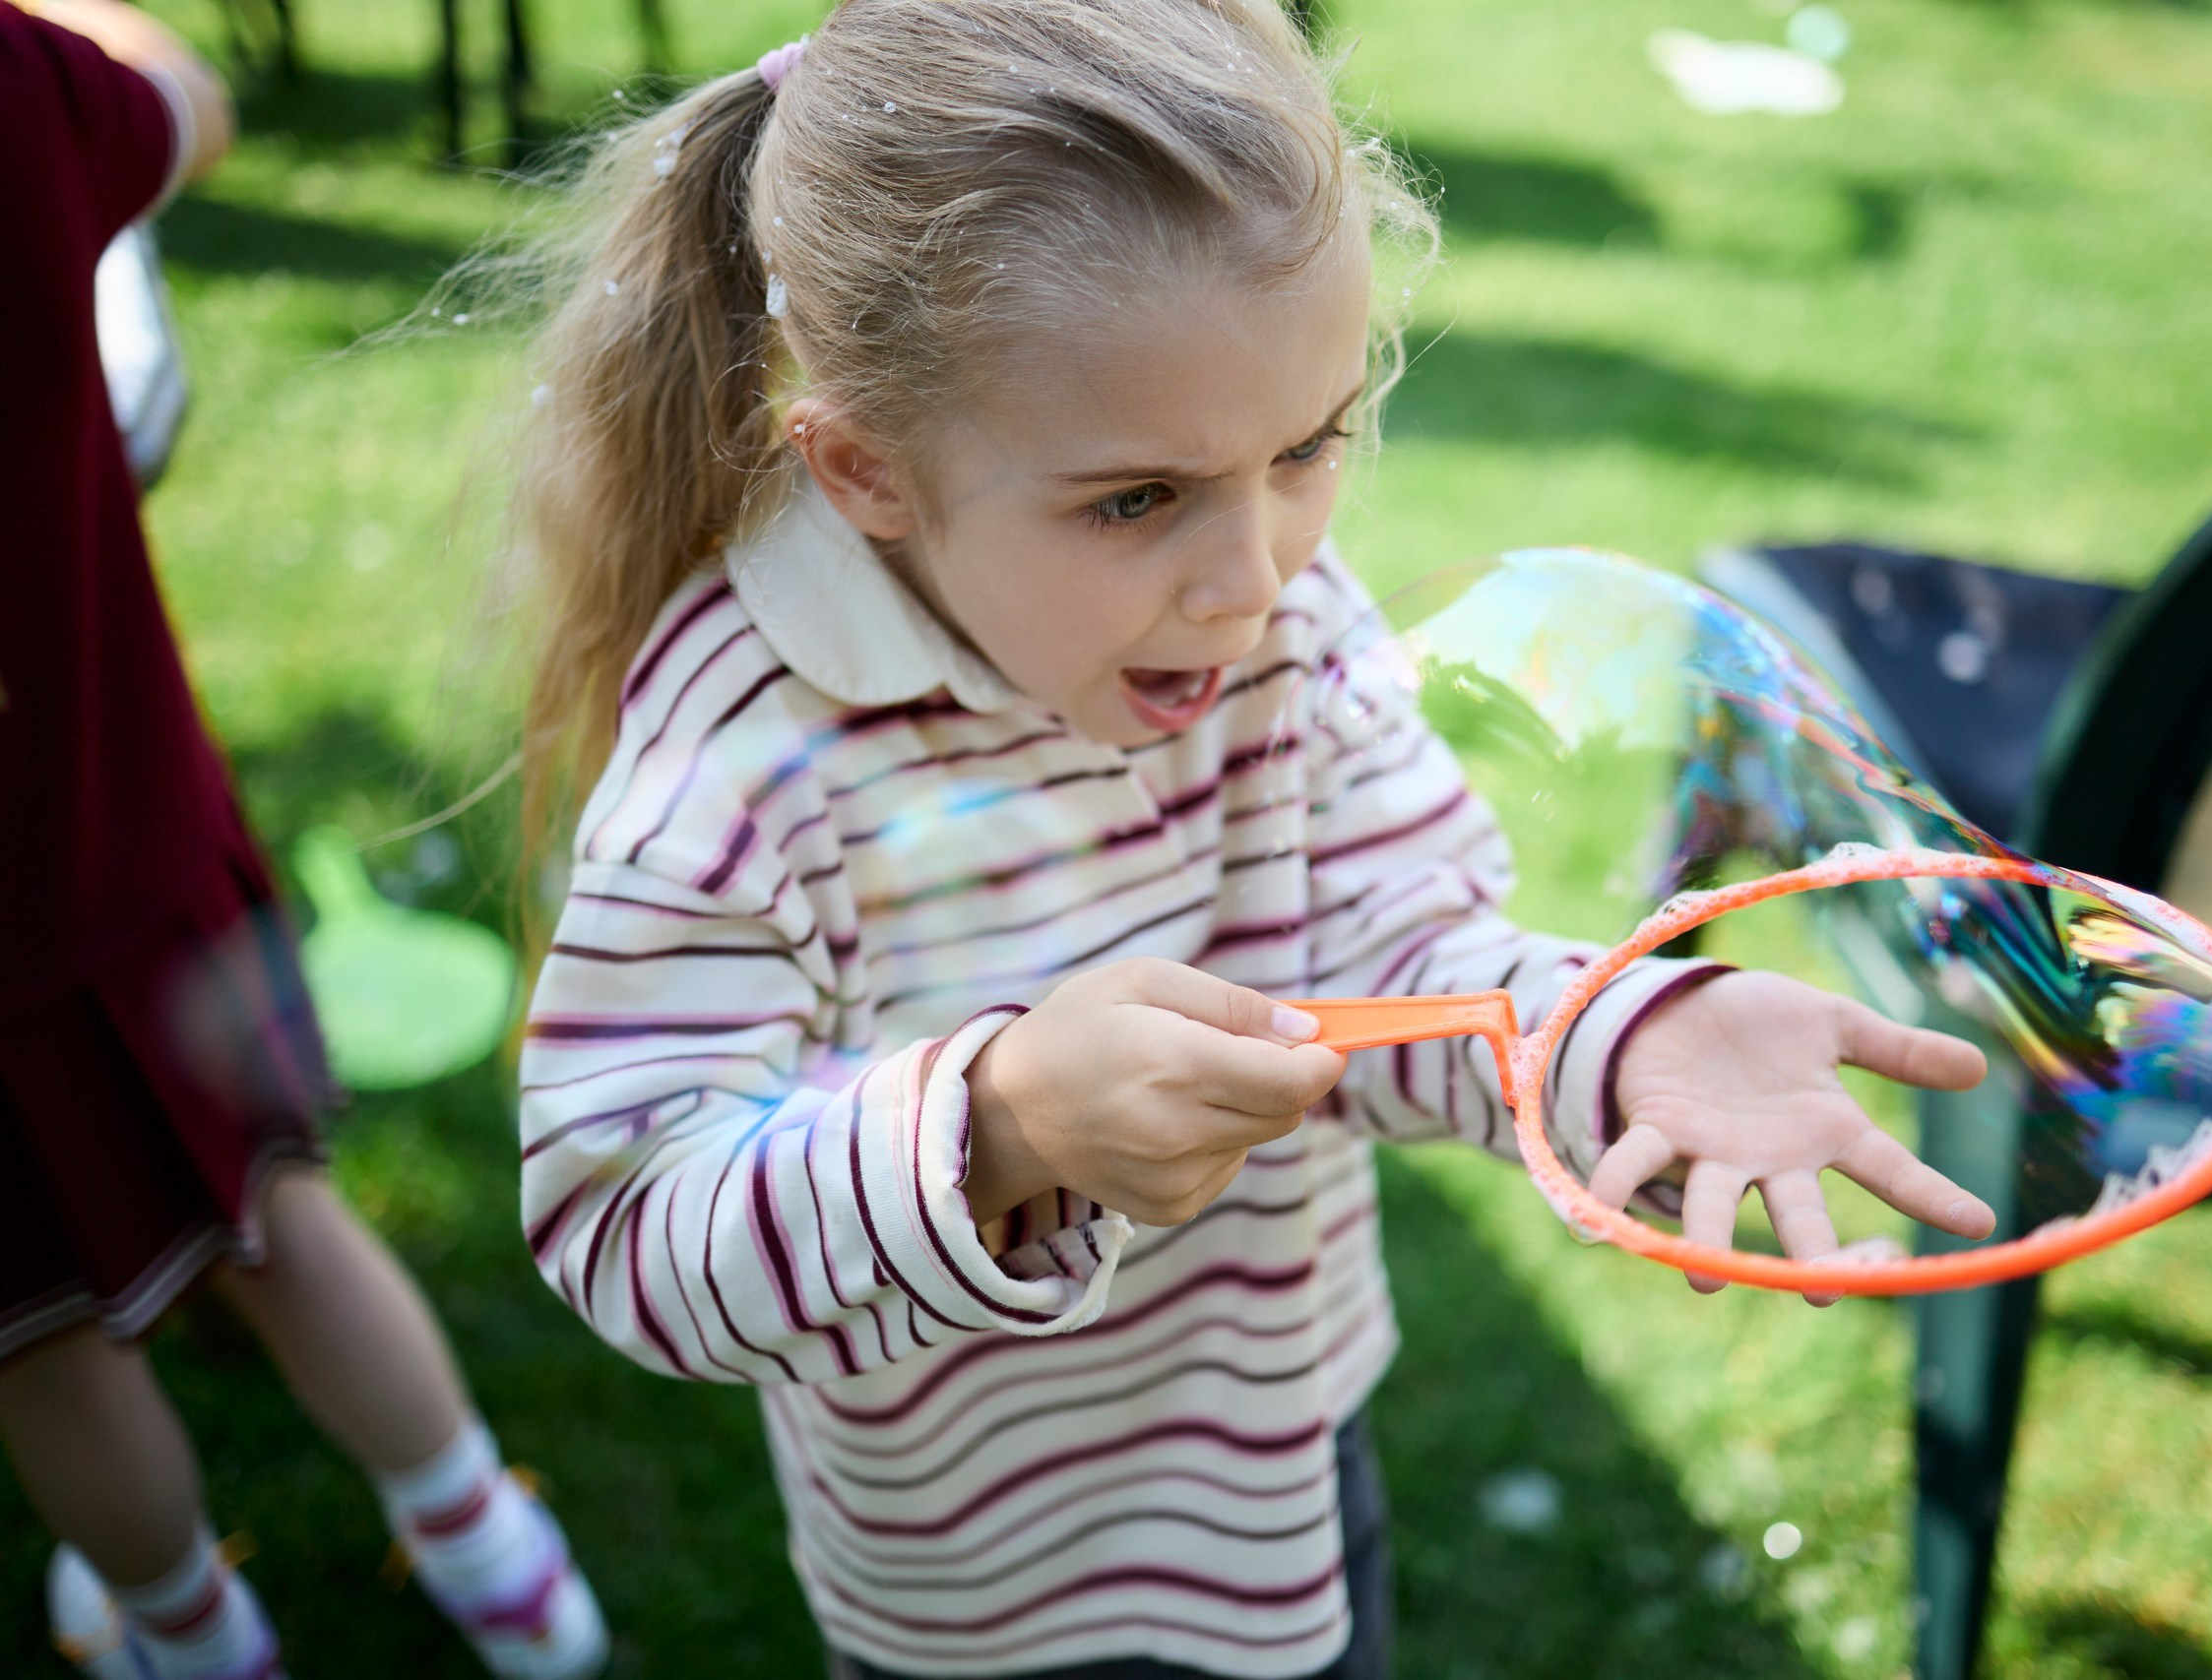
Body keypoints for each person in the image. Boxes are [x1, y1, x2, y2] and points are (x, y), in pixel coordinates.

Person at [511, 4, 1997, 1676]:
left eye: (1307, 449)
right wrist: (995, 1130)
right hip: (988, 1588)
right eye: (1138, 498)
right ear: (866, 469)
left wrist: (1619, 1025)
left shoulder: (1257, 622)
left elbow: (1387, 965)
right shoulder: (745, 747)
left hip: (1283, 1468)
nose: (1255, 578)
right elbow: (626, 1216)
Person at [0, 6, 607, 1678]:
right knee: (277, 1211)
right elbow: (185, 100)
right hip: (139, 847)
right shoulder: (19, 85)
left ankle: (193, 1642)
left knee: (45, 1339)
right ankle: (501, 1563)